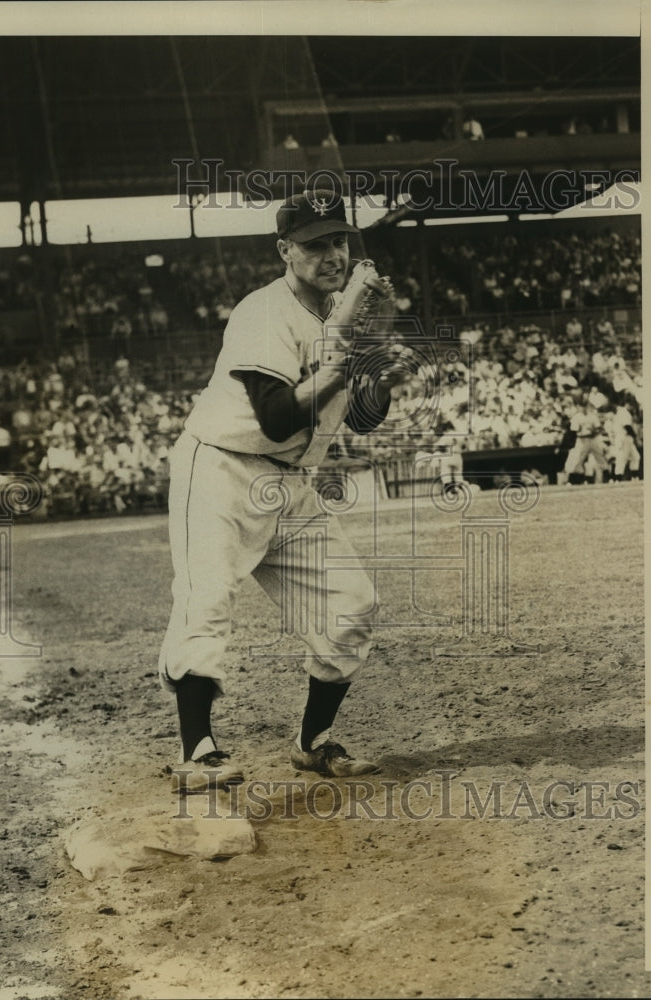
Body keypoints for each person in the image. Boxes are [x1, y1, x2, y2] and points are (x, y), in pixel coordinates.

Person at [159, 190, 412, 794]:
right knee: (207, 602)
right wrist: (345, 357)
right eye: (316, 242)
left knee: (351, 605)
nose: (332, 253)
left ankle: (311, 744)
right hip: (220, 468)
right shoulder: (263, 311)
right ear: (285, 251)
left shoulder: (338, 317)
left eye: (340, 240)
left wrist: (381, 374)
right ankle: (198, 751)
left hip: (291, 483)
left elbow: (363, 420)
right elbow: (274, 416)